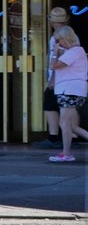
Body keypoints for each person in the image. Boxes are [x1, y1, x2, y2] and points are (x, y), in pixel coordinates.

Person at [49, 25, 85, 163]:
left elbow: (54, 66)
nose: (58, 43)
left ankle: (66, 153)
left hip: (70, 90)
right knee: (71, 125)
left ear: (66, 38)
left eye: (59, 40)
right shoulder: (75, 51)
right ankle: (66, 152)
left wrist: (55, 53)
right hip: (70, 90)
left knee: (64, 122)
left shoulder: (75, 51)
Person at [42, 5, 70, 149]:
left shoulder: (58, 37)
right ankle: (71, 135)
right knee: (68, 107)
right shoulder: (70, 35)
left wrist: (51, 80)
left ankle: (53, 136)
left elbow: (58, 58)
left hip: (58, 76)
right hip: (67, 77)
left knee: (49, 104)